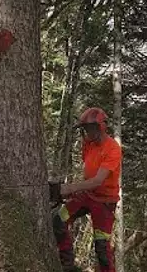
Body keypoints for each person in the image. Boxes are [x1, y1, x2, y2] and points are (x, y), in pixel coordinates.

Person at [52, 107, 122, 272]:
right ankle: (67, 265)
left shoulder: (113, 148)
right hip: (87, 195)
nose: (88, 133)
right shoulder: (88, 144)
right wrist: (74, 189)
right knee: (59, 219)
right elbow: (88, 173)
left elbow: (98, 180)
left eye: (90, 128)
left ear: (101, 127)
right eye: (86, 129)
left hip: (105, 201)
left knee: (102, 247)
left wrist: (70, 187)